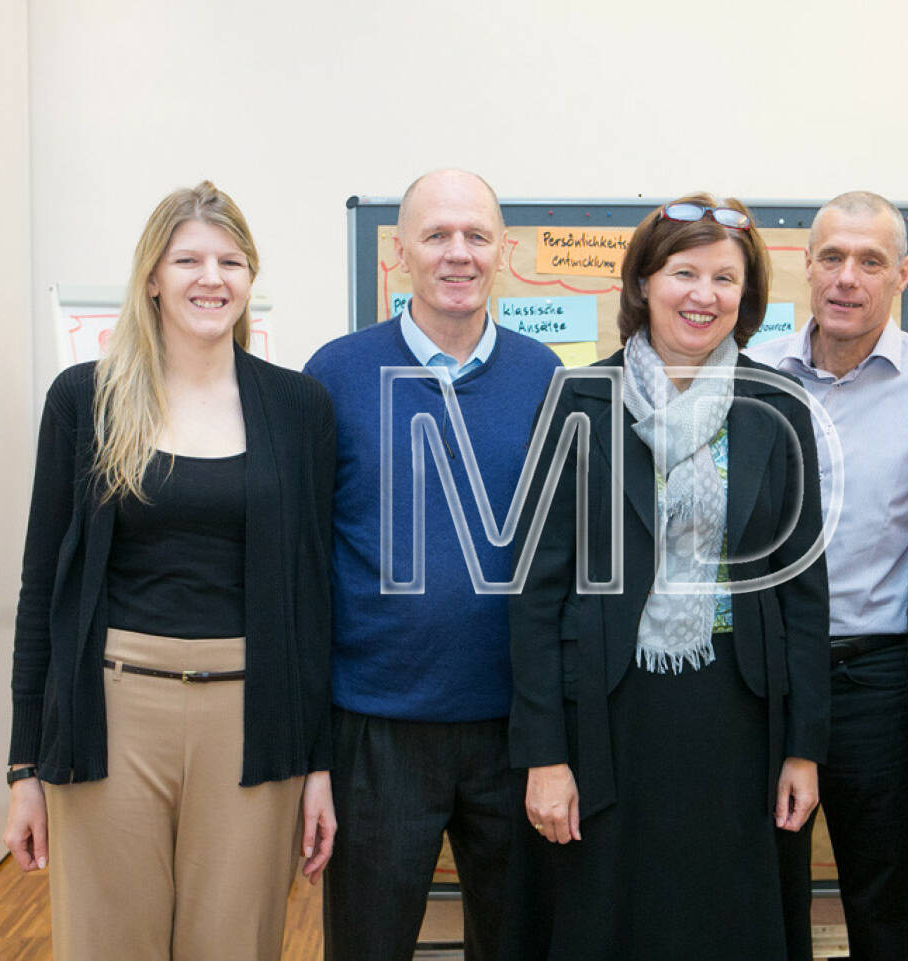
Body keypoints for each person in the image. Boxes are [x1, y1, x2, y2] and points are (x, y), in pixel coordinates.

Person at [2, 180, 337, 961]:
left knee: (234, 946)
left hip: (253, 722)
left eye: (230, 260)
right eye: (187, 258)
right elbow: (39, 590)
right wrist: (24, 765)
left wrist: (317, 763)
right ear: (151, 275)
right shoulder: (84, 401)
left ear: (251, 278)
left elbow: (313, 599)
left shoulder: (298, 409)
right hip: (111, 716)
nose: (209, 277)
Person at [502, 195, 830, 961]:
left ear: (746, 298)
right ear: (644, 281)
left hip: (741, 717)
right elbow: (535, 594)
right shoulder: (578, 399)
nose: (704, 294)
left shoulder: (778, 404)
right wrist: (544, 755)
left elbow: (804, 591)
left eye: (725, 277)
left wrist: (805, 749)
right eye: (684, 271)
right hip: (610, 717)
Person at [304, 168, 562, 961]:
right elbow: (306, 569)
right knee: (369, 945)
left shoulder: (544, 376)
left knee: (518, 944)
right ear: (400, 252)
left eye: (477, 236)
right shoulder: (335, 375)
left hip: (511, 731)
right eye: (438, 235)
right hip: (376, 729)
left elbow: (562, 563)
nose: (459, 253)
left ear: (503, 251)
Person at [747, 190, 908, 958]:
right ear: (805, 266)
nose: (848, 277)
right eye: (833, 257)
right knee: (762, 901)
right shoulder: (750, 378)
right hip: (765, 682)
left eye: (871, 261)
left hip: (879, 687)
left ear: (902, 273)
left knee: (887, 909)